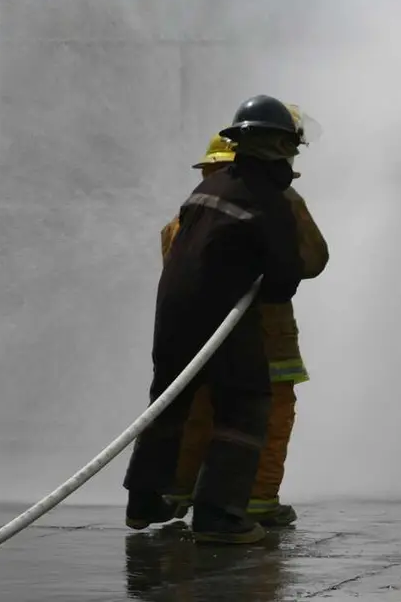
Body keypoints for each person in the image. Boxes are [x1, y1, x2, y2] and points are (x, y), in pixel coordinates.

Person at [123, 94, 306, 544]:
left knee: (169, 403)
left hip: (173, 312)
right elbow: (285, 277)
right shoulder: (267, 195)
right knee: (245, 404)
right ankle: (220, 516)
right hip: (219, 314)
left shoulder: (208, 187)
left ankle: (144, 501)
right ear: (280, 146)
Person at [162, 123, 329, 528]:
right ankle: (256, 500)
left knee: (200, 415)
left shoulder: (184, 219)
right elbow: (313, 259)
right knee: (267, 418)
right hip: (266, 341)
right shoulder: (277, 207)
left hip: (199, 342)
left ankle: (179, 493)